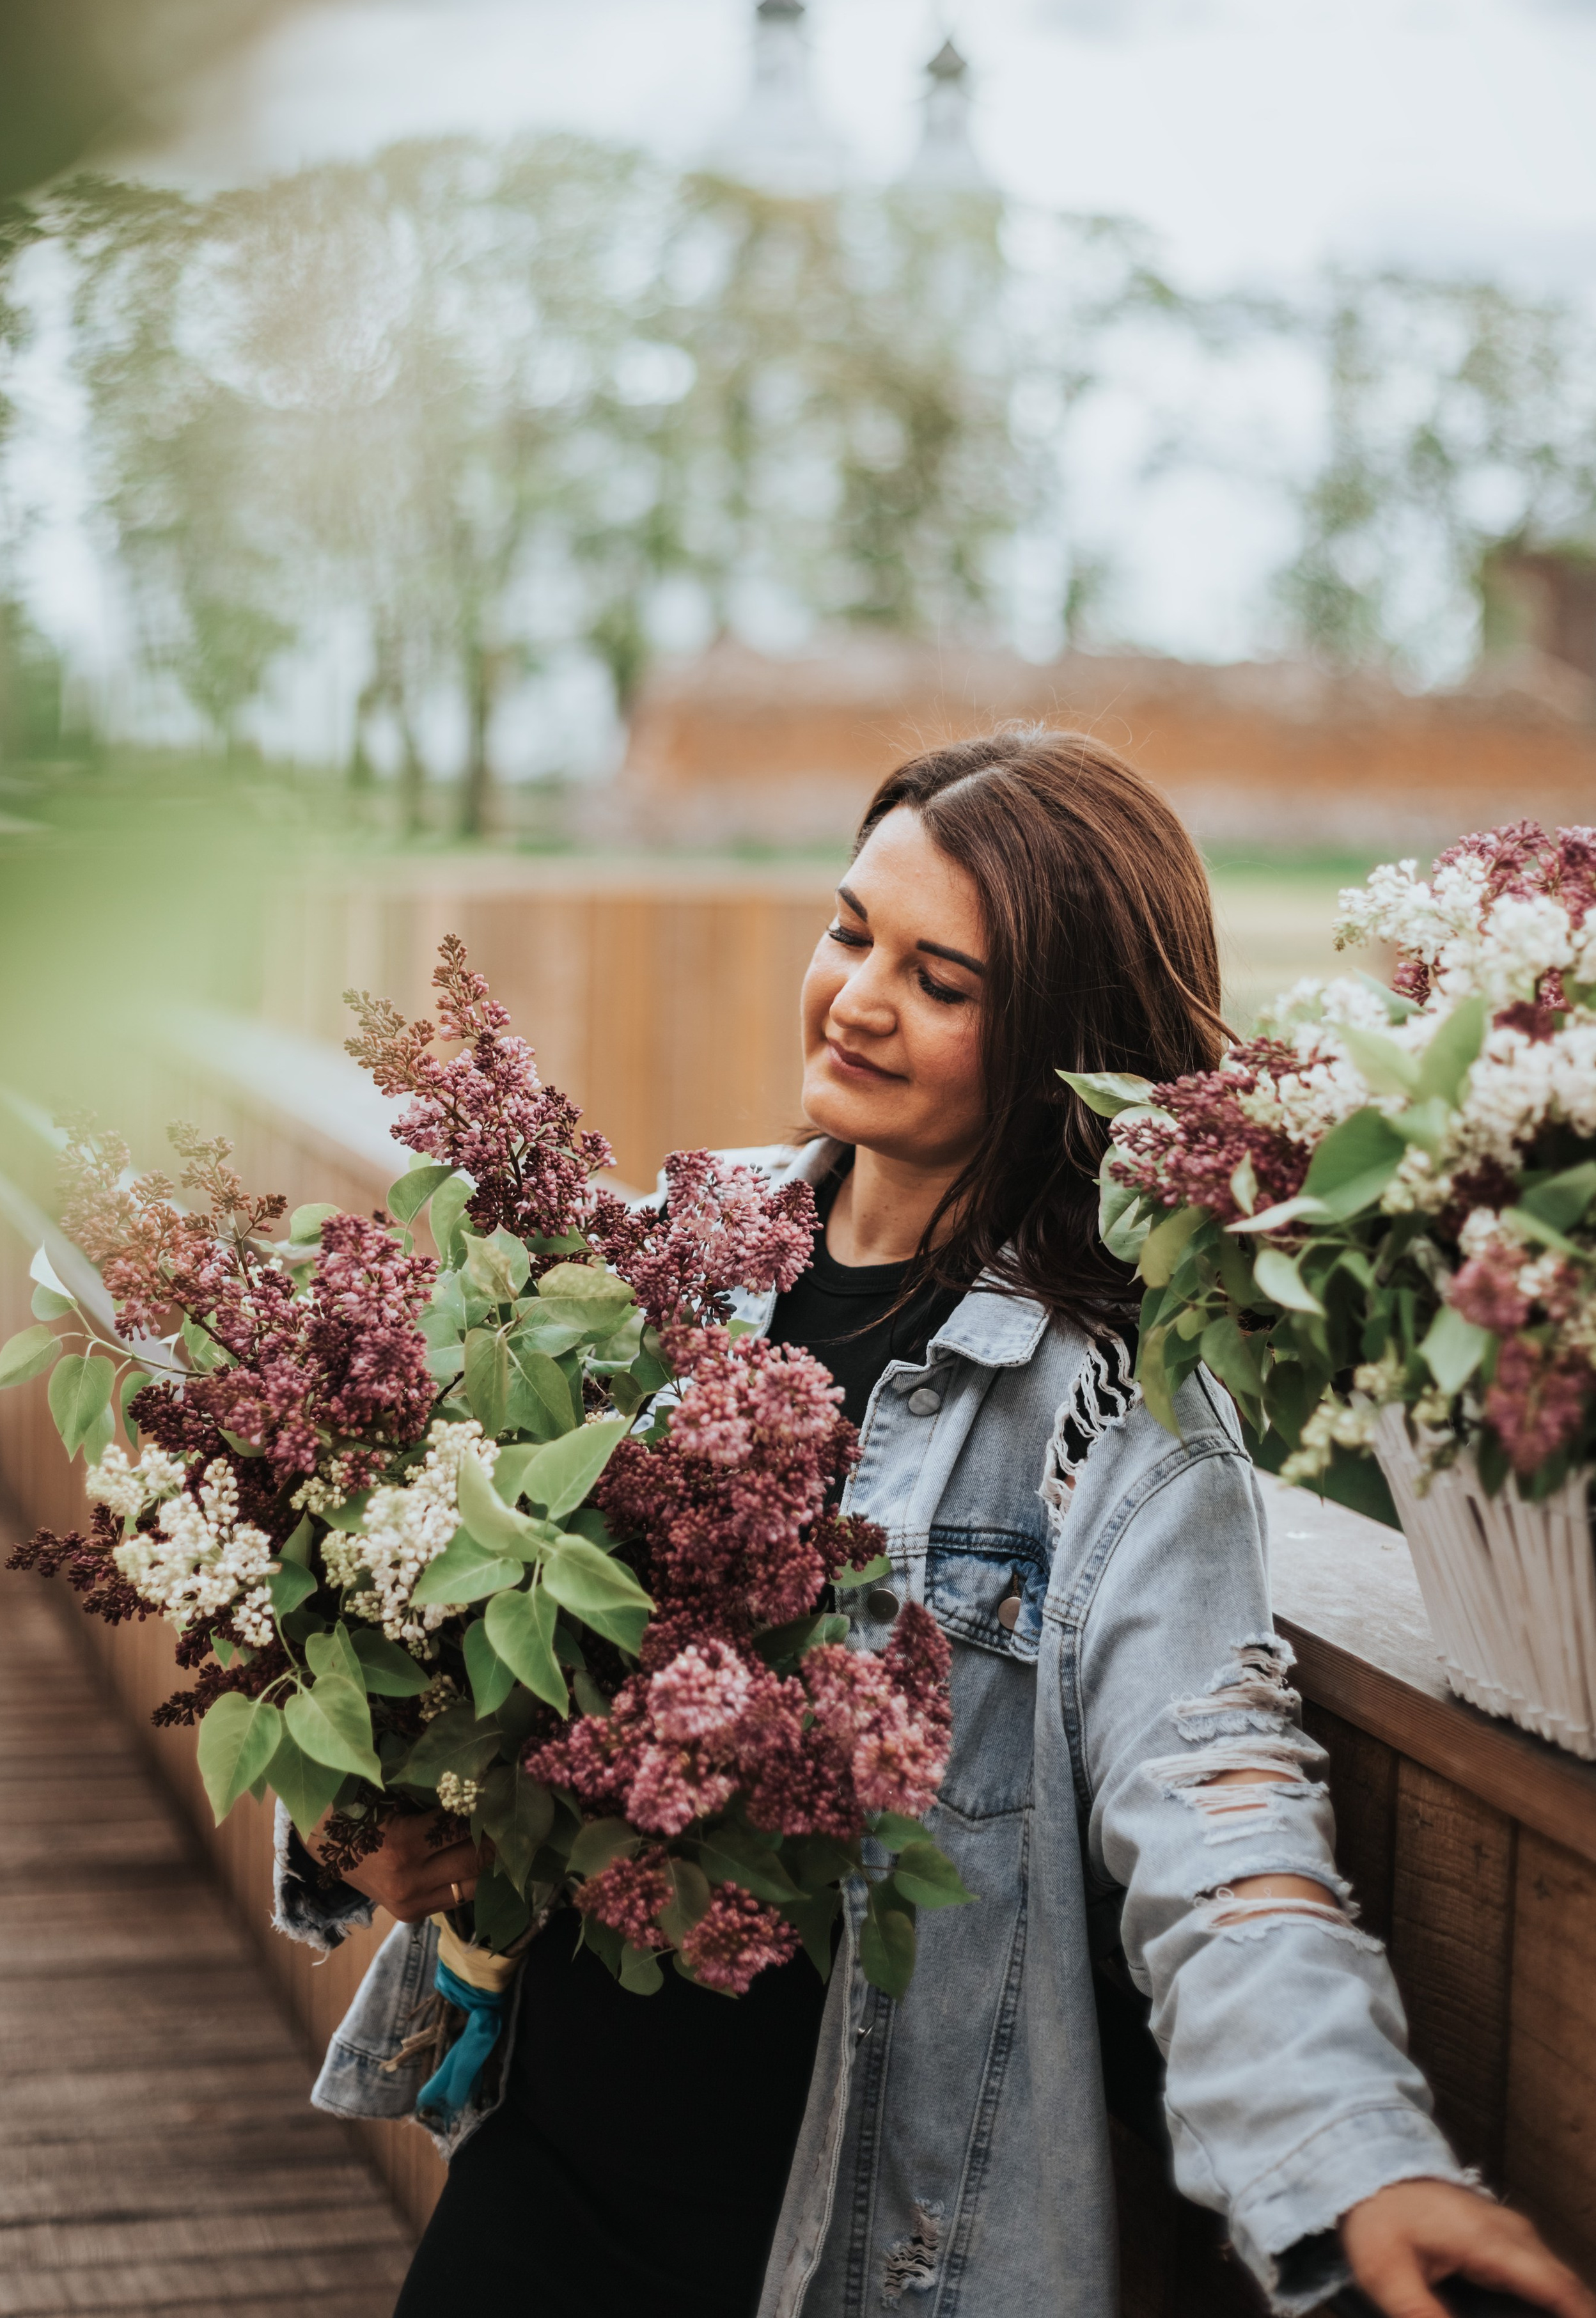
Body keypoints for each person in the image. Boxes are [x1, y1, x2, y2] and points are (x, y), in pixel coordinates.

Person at [276, 730, 1595, 2318]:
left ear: (1057, 1038)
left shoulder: (1117, 1418)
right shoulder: (653, 1258)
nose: (858, 998)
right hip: (539, 2164)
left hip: (835, 2240)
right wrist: (372, 1814)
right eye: (850, 933)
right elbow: (443, 1627)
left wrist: (1355, 2158)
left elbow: (1218, 1808)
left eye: (942, 980)